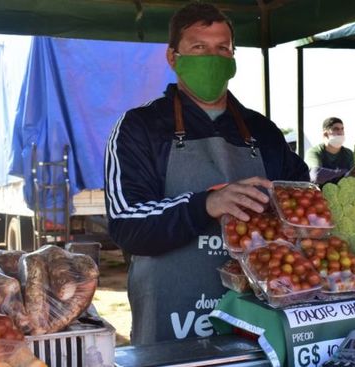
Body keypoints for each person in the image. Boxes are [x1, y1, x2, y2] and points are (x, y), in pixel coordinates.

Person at [103, 2, 308, 345]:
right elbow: (127, 223)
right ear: (173, 57)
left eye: (222, 48)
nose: (212, 57)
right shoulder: (141, 128)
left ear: (233, 59)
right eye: (199, 47)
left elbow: (301, 206)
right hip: (173, 326)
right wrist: (206, 205)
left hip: (255, 322)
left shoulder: (264, 132)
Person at [305, 117, 354, 185]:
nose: (340, 132)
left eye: (342, 129)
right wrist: (344, 172)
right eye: (336, 129)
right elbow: (316, 175)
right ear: (325, 134)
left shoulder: (349, 153)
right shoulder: (314, 152)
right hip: (319, 194)